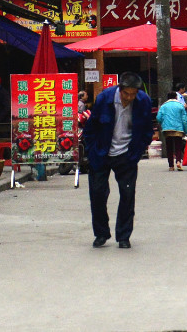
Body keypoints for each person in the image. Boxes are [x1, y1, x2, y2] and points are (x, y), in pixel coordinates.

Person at [80, 71, 155, 248]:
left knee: (127, 195)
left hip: (127, 155)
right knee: (97, 194)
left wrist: (137, 152)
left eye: (133, 94)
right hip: (102, 153)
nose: (129, 98)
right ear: (119, 89)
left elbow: (147, 130)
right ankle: (101, 233)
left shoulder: (143, 101)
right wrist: (92, 151)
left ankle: (123, 236)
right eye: (126, 93)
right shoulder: (104, 99)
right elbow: (91, 127)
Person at [156, 88, 187, 170]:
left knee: (169, 148)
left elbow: (158, 118)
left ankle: (171, 166)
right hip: (178, 129)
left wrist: (163, 122)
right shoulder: (180, 106)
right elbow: (185, 120)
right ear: (176, 97)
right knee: (178, 147)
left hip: (167, 129)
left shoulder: (163, 106)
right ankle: (178, 161)